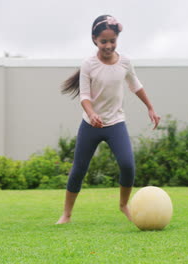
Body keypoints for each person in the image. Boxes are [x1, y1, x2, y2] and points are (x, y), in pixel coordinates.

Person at [56, 15, 160, 224]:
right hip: (90, 125)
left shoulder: (125, 62)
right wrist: (92, 113)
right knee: (79, 169)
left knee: (127, 165)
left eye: (113, 41)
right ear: (95, 39)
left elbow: (135, 85)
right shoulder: (89, 64)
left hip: (115, 124)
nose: (109, 45)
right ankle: (66, 214)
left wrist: (150, 107)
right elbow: (84, 96)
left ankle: (123, 205)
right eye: (104, 41)